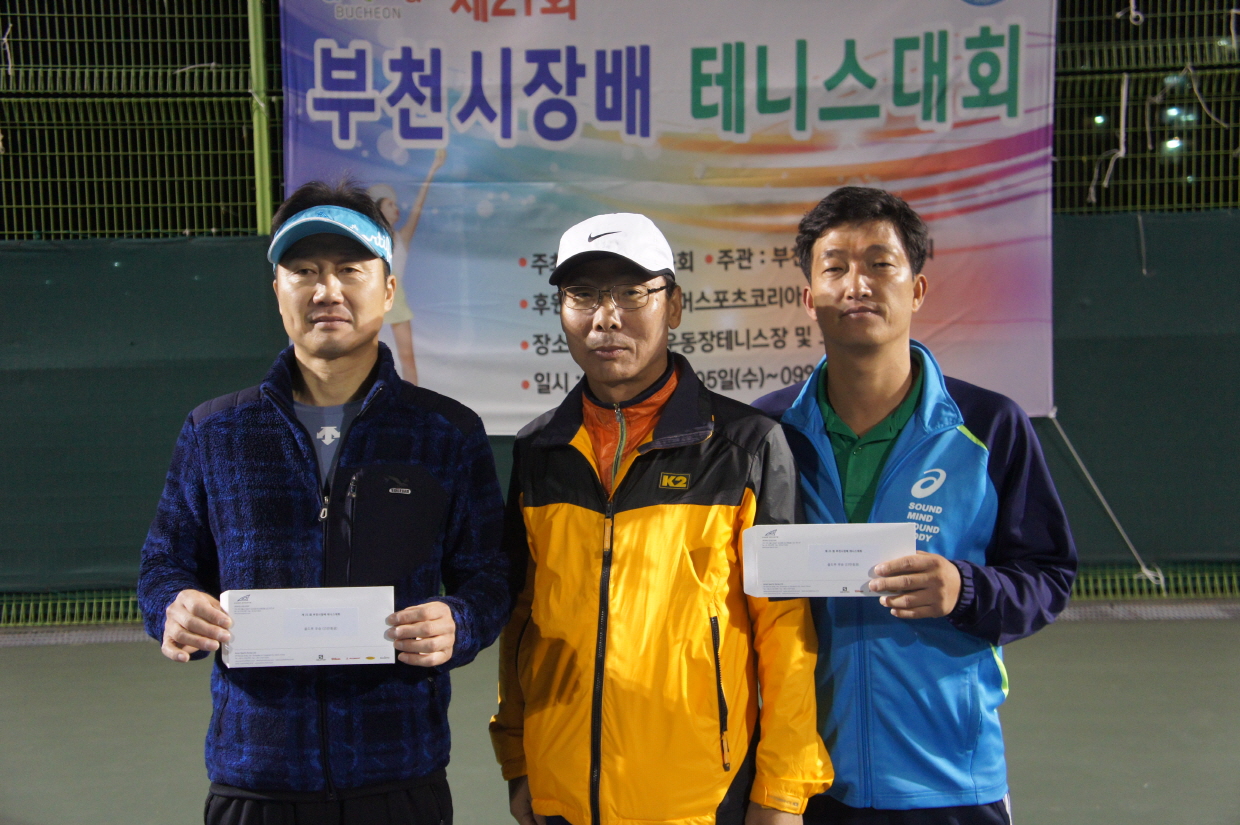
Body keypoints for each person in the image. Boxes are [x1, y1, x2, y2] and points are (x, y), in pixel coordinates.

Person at [137, 180, 510, 825]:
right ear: (277, 290)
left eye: (349, 269)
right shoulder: (215, 432)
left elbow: (492, 573)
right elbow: (162, 565)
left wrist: (461, 621)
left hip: (401, 775)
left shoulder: (446, 432)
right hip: (255, 778)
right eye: (304, 271)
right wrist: (172, 607)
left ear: (388, 290)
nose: (326, 290)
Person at [490, 213, 832, 825]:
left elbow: (786, 627)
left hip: (701, 800)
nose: (606, 318)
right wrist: (519, 760)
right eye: (583, 295)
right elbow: (523, 619)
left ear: (673, 305)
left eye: (631, 293)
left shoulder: (747, 446)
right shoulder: (539, 450)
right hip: (560, 793)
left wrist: (783, 789)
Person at [753, 187, 1076, 825]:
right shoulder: (763, 432)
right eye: (835, 267)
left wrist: (965, 589)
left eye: (880, 264)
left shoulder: (990, 425)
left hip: (951, 780)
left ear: (918, 289)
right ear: (809, 297)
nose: (858, 285)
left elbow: (1048, 575)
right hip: (799, 784)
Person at [368, 147, 447, 384]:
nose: (396, 208)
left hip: (396, 298)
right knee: (366, 360)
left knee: (407, 359)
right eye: (389, 204)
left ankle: (412, 403)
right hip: (370, 299)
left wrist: (433, 169)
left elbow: (418, 206)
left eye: (396, 203)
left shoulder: (402, 238)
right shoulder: (368, 241)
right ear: (378, 210)